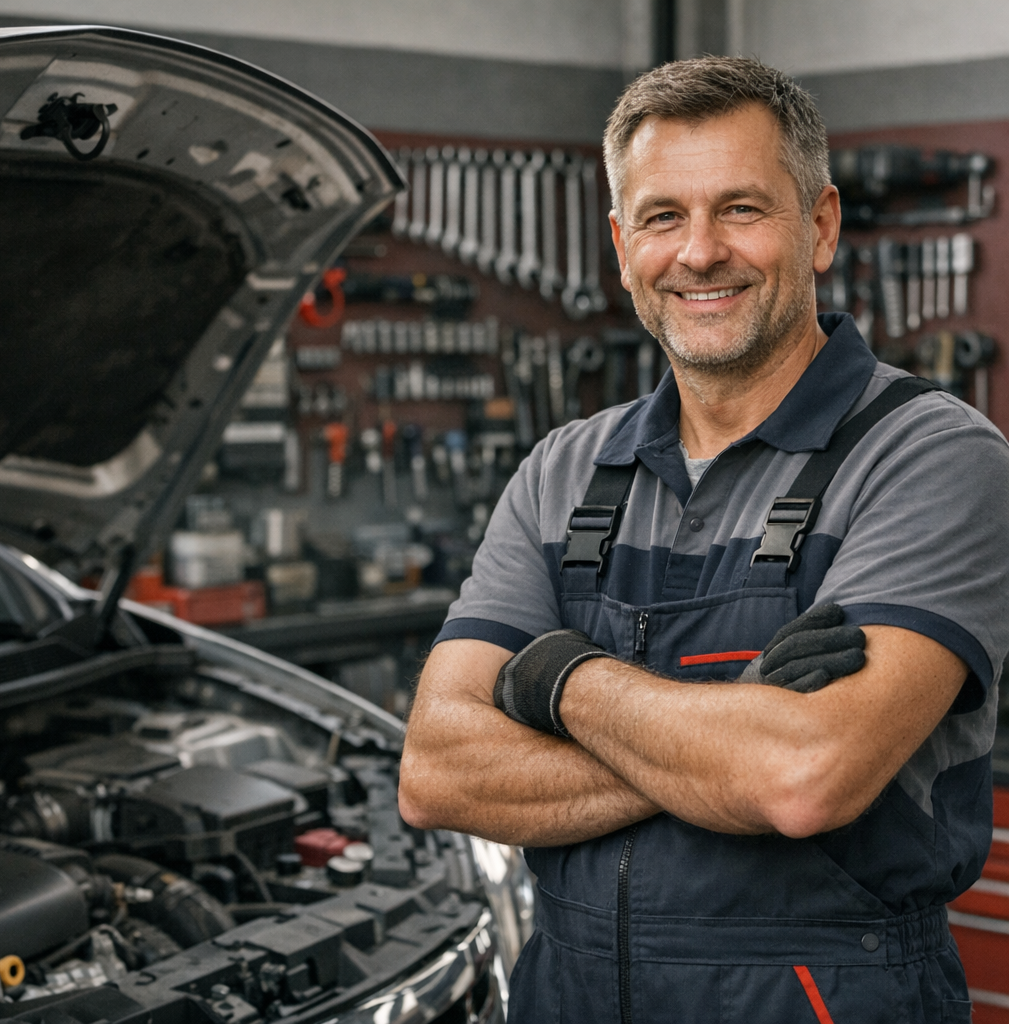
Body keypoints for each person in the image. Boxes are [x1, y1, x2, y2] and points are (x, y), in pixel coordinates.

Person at [399, 56, 1009, 1023]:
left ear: (820, 226)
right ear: (620, 241)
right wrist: (737, 728)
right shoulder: (563, 471)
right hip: (571, 998)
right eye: (662, 216)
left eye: (742, 209)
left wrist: (557, 679)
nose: (699, 252)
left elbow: (803, 779)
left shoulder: (932, 457)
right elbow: (437, 772)